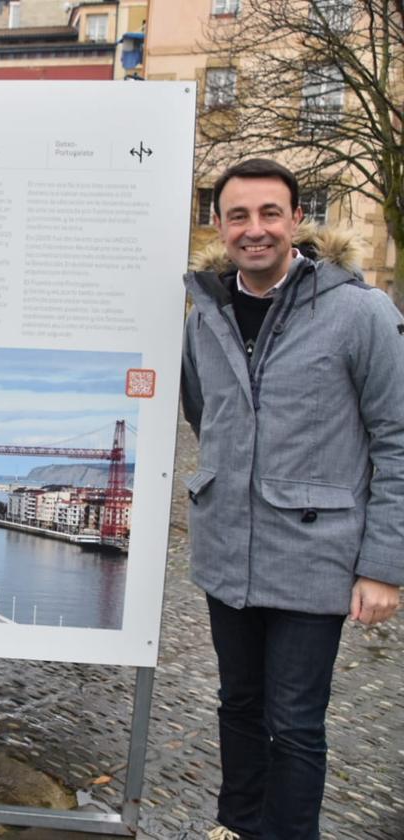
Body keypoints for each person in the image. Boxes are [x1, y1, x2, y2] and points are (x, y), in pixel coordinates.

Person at [181, 158, 404, 840]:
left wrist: (383, 566)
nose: (255, 230)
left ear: (297, 219)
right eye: (239, 215)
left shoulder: (360, 313)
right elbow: (206, 416)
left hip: (315, 556)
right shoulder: (203, 316)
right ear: (219, 225)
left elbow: (396, 440)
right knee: (238, 704)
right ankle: (238, 824)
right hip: (227, 552)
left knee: (295, 723)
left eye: (269, 214)